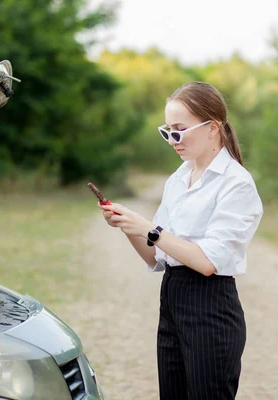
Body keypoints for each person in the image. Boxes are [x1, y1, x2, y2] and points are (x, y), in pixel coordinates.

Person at [99, 82, 263, 399]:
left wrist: (150, 228)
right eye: (167, 131)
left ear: (212, 128)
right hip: (172, 298)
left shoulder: (236, 184)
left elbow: (206, 262)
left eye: (179, 130)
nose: (173, 140)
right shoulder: (179, 177)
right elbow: (154, 257)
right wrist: (128, 226)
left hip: (210, 305)